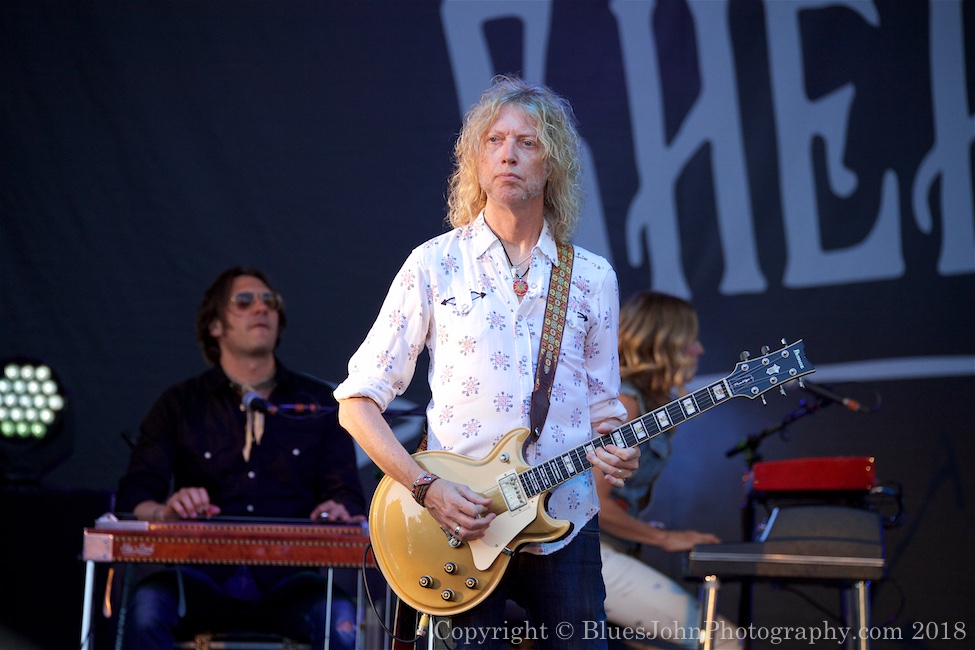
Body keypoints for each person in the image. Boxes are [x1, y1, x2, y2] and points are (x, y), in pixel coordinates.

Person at [333, 75, 639, 650]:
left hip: (565, 521)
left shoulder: (593, 276)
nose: (508, 153)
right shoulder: (434, 266)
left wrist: (621, 449)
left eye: (527, 142)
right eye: (494, 140)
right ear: (475, 161)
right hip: (458, 524)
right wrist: (427, 490)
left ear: (552, 165)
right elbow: (356, 403)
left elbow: (604, 410)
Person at [115, 266, 366, 650]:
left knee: (343, 622)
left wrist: (337, 510)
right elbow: (135, 496)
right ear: (215, 326)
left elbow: (348, 497)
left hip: (292, 580)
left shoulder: (318, 403)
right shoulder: (179, 404)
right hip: (199, 576)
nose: (261, 309)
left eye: (270, 302)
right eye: (244, 301)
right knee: (146, 609)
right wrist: (166, 509)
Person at [598, 290, 740, 648]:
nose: (699, 350)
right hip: (589, 554)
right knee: (721, 639)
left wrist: (637, 528)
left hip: (610, 549)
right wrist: (665, 538)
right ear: (665, 342)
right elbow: (592, 504)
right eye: (691, 339)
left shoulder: (644, 402)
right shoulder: (625, 402)